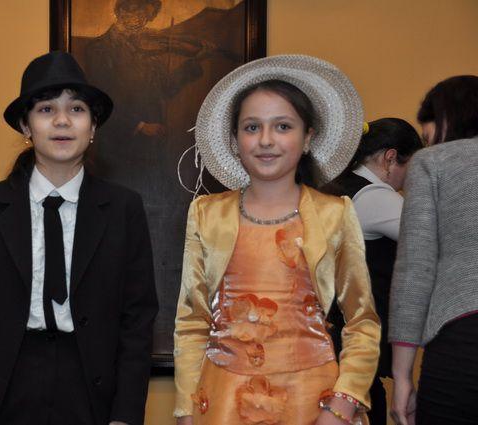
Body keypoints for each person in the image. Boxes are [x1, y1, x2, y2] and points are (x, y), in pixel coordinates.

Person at [0, 51, 158, 425]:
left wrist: (125, 415)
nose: (62, 120)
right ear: (26, 126)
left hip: (91, 391)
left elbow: (137, 322)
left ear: (93, 126)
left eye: (76, 109)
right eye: (46, 109)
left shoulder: (124, 208)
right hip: (4, 391)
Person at [173, 55, 381, 425]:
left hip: (314, 402)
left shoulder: (334, 214)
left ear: (307, 137)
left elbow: (362, 322)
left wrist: (343, 404)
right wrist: (186, 411)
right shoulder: (207, 214)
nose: (266, 140)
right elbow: (192, 322)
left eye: (283, 126)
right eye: (252, 127)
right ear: (235, 140)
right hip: (221, 402)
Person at [389, 75, 478, 425]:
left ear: (446, 119)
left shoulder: (434, 162)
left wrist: (401, 377)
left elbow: (415, 270)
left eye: (428, 137)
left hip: (464, 332)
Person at [322, 118, 422, 424]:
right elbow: (436, 236)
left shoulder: (339, 187)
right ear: (390, 158)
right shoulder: (374, 196)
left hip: (330, 336)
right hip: (352, 339)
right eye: (412, 167)